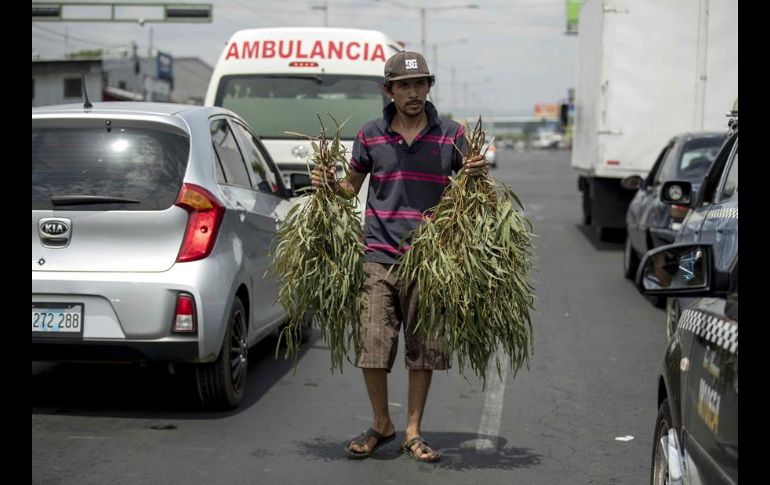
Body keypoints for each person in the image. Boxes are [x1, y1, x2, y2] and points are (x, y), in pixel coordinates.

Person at [310, 51, 487, 463]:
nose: (412, 92)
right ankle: (381, 423)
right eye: (403, 85)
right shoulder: (370, 135)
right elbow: (349, 189)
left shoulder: (451, 135)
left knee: (423, 348)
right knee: (372, 344)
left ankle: (412, 430)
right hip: (378, 253)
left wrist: (478, 173)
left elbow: (476, 192)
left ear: (429, 88)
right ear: (388, 90)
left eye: (420, 84)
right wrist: (325, 182)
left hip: (429, 258)